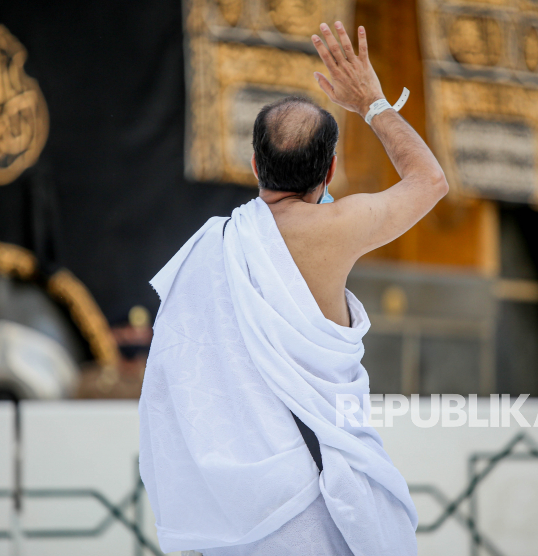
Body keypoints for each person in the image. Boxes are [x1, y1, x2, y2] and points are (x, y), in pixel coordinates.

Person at [138, 22, 448, 555]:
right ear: (329, 170)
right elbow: (430, 181)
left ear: (255, 164)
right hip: (320, 508)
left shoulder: (210, 251)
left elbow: (174, 382)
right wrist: (372, 102)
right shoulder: (341, 226)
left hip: (232, 516)